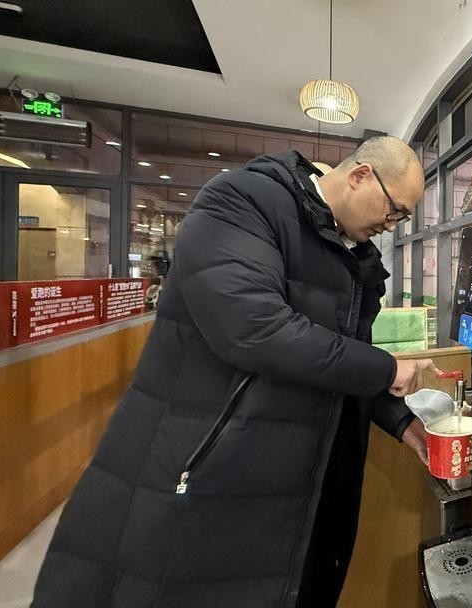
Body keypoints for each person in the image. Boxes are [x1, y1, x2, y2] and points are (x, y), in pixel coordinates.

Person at [32, 137, 441, 608]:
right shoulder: (243, 201)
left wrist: (399, 419)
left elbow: (341, 356)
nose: (390, 226)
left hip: (302, 480)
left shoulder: (355, 254)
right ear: (360, 175)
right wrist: (386, 369)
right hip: (209, 465)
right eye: (394, 211)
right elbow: (256, 329)